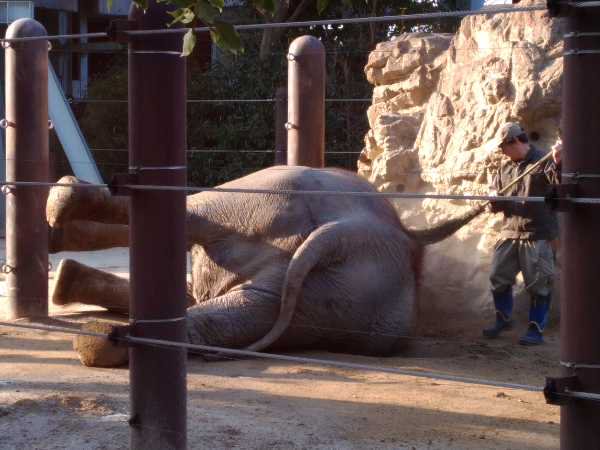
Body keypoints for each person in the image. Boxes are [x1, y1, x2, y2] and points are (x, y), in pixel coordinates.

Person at [483, 123, 561, 345]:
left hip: (537, 233)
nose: (502, 152)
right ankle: (503, 319)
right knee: (498, 277)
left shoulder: (543, 161)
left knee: (539, 283)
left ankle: (536, 329)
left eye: (503, 147)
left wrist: (558, 162)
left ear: (515, 141)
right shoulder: (504, 168)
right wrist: (492, 199)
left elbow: (558, 183)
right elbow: (495, 197)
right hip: (510, 231)